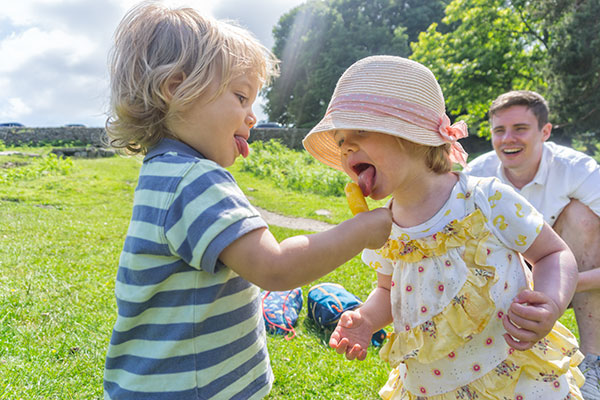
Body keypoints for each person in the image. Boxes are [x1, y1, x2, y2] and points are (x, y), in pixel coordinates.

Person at [102, 4, 392, 399]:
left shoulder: (163, 171)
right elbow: (274, 269)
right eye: (241, 97)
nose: (252, 117)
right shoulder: (193, 178)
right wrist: (364, 228)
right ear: (175, 89)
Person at [302, 55, 584, 399]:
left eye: (360, 130)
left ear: (413, 136)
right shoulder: (379, 227)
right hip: (431, 383)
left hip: (511, 370)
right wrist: (366, 321)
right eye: (341, 138)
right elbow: (387, 292)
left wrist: (552, 303)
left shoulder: (486, 199)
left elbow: (553, 253)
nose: (346, 147)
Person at [467, 90, 600, 398]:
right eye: (499, 130)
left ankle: (594, 362)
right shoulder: (477, 175)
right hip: (503, 276)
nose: (508, 139)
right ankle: (484, 358)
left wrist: (565, 282)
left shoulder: (578, 170)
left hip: (569, 271)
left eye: (520, 129)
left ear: (546, 131)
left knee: (582, 217)